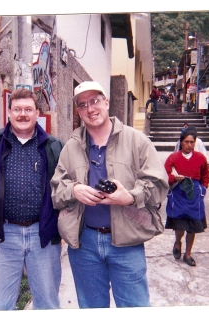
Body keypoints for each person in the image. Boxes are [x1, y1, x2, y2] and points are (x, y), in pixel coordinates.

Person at [50, 81, 169, 308]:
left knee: (135, 307)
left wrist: (131, 197)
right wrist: (74, 190)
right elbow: (56, 189)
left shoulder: (137, 141)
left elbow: (159, 185)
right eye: (82, 105)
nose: (90, 109)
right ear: (78, 111)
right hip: (84, 243)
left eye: (95, 101)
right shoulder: (71, 147)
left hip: (127, 243)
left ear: (106, 102)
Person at [0, 88, 64, 310]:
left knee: (48, 303)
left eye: (28, 109)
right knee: (0, 305)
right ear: (9, 113)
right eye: (17, 109)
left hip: (43, 235)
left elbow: (66, 187)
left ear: (37, 112)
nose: (22, 114)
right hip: (3, 235)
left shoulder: (54, 146)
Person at [164, 128, 209, 267]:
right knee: (180, 225)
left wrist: (203, 188)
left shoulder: (200, 158)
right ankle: (178, 242)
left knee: (193, 227)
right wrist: (173, 178)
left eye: (192, 142)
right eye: (186, 142)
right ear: (181, 142)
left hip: (194, 194)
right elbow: (164, 175)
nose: (189, 145)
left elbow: (206, 175)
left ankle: (188, 254)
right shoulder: (173, 158)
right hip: (179, 193)